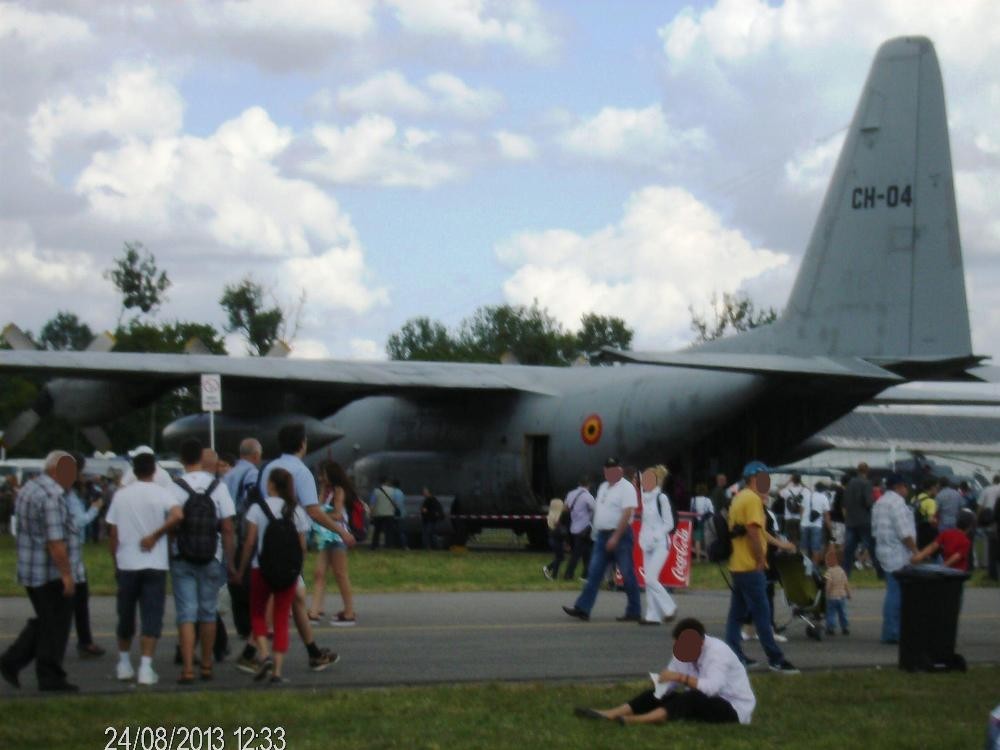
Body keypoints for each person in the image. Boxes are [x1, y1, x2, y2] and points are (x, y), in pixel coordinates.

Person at [259, 423, 341, 670]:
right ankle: (257, 652)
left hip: (268, 540)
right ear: (302, 443)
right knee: (285, 597)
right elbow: (313, 511)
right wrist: (341, 531)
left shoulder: (268, 468)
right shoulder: (301, 471)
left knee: (295, 599)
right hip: (290, 544)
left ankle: (313, 653)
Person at [573, 618, 755, 726]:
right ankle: (611, 713)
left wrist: (680, 677)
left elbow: (712, 688)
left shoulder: (717, 653)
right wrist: (662, 683)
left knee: (692, 698)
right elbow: (672, 676)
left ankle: (636, 720)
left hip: (733, 708)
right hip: (703, 699)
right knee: (660, 694)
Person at [0, 451, 80, 692]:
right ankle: (49, 675)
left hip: (30, 569)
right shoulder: (52, 496)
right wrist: (67, 574)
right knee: (56, 626)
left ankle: (12, 662)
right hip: (49, 573)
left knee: (46, 622)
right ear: (56, 471)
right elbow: (55, 542)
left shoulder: (29, 488)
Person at [106, 451, 183, 685]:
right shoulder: (163, 493)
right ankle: (146, 666)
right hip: (155, 563)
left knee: (126, 614)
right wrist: (156, 534)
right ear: (154, 471)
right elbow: (178, 515)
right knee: (152, 614)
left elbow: (113, 532)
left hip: (127, 562)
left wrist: (115, 559)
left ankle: (123, 662)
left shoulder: (121, 496)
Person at [169, 438, 237, 683]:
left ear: (182, 459)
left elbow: (170, 523)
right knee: (208, 612)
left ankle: (187, 668)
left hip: (182, 555)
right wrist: (230, 561)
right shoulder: (218, 486)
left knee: (186, 613)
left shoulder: (174, 486)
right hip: (211, 555)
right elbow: (227, 527)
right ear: (201, 458)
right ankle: (207, 665)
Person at [238, 468, 312, 683]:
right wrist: (297, 568)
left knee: (258, 614)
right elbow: (302, 546)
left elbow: (250, 542)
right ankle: (277, 671)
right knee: (281, 618)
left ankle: (263, 653)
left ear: (270, 485)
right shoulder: (296, 510)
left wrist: (241, 568)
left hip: (260, 567)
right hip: (287, 571)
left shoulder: (257, 508)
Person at [724, 461, 798, 673]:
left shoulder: (740, 498)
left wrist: (780, 544)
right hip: (750, 566)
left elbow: (760, 530)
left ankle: (734, 655)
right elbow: (754, 532)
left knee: (736, 614)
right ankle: (776, 658)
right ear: (754, 478)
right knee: (762, 614)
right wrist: (759, 559)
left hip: (738, 565)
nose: (768, 482)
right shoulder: (753, 500)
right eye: (765, 478)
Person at [563, 458, 641, 623]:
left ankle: (634, 610)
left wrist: (616, 536)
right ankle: (583, 608)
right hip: (602, 535)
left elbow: (627, 513)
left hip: (620, 535)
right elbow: (599, 510)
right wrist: (595, 532)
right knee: (594, 572)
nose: (609, 473)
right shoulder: (604, 487)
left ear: (619, 471)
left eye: (613, 470)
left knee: (627, 574)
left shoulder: (626, 488)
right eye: (607, 470)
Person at [222, 437, 263, 672]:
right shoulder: (252, 475)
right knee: (247, 582)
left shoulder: (229, 474)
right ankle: (250, 633)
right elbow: (250, 503)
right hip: (243, 530)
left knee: (235, 582)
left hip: (228, 531)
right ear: (256, 455)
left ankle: (242, 627)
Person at [309, 462, 357, 627]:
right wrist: (322, 494)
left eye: (323, 475)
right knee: (319, 573)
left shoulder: (338, 491)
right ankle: (314, 612)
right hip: (325, 537)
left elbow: (337, 514)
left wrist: (322, 513)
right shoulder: (326, 491)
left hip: (337, 536)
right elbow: (319, 505)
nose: (320, 478)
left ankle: (349, 612)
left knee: (340, 574)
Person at [68, 452, 106, 659]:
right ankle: (85, 642)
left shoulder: (67, 492)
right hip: (71, 557)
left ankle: (85, 641)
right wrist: (94, 509)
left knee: (78, 602)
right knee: (77, 602)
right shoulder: (68, 495)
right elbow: (79, 521)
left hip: (74, 555)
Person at [872, 473, 918, 645]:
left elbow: (874, 530)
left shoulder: (879, 502)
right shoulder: (897, 503)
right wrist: (915, 551)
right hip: (897, 553)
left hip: (883, 551)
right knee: (896, 594)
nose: (907, 490)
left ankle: (890, 630)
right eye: (905, 487)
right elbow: (904, 532)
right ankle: (892, 632)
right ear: (899, 487)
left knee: (892, 591)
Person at [639, 465, 677, 625]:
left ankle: (669, 607)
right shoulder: (644, 498)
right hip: (646, 544)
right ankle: (652, 615)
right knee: (648, 581)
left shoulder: (661, 498)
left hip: (661, 544)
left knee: (651, 579)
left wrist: (656, 535)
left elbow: (669, 523)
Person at [562, 476, 595, 581]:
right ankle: (569, 574)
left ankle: (586, 574)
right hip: (585, 528)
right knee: (578, 553)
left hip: (574, 528)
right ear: (589, 485)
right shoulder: (587, 496)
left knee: (587, 552)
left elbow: (566, 508)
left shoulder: (571, 494)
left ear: (579, 483)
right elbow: (595, 509)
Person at [800, 481, 831, 566]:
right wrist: (830, 528)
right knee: (815, 548)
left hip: (804, 524)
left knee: (804, 547)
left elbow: (801, 510)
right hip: (817, 525)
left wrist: (802, 520)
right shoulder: (824, 498)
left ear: (815, 488)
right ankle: (813, 568)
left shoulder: (807, 496)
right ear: (823, 489)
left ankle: (805, 565)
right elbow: (826, 515)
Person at [823, 546, 850, 636]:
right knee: (843, 613)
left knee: (831, 613)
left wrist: (826, 593)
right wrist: (848, 593)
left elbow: (829, 584)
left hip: (832, 597)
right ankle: (845, 627)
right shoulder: (842, 571)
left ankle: (831, 628)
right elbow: (846, 583)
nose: (826, 562)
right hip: (842, 597)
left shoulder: (829, 571)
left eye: (827, 560)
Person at [778, 474, 808, 547]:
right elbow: (810, 491)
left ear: (792, 480)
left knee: (789, 539)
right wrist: (802, 483)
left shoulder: (787, 490)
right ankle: (796, 553)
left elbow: (778, 491)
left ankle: (791, 553)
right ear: (800, 480)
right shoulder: (804, 491)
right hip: (799, 518)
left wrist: (788, 481)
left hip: (788, 518)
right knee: (798, 538)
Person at [543, 499, 569, 581]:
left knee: (559, 557)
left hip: (552, 539)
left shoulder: (551, 516)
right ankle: (548, 568)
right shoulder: (559, 517)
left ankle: (554, 575)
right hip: (557, 539)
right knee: (560, 557)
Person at [370, 477, 398, 550]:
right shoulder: (393, 491)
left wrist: (371, 513)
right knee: (389, 531)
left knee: (377, 531)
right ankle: (388, 545)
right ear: (387, 482)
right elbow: (395, 502)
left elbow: (372, 503)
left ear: (380, 482)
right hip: (389, 514)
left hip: (378, 514)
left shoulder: (375, 491)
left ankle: (374, 545)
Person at [912, 478, 939, 549]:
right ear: (932, 487)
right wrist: (936, 521)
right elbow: (931, 520)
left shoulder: (915, 498)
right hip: (925, 534)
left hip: (914, 532)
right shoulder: (930, 502)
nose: (937, 489)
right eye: (936, 487)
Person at [690, 483, 714, 563]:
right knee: (707, 540)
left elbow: (691, 511)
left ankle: (698, 558)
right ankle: (707, 557)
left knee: (697, 540)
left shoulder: (693, 500)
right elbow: (711, 511)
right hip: (706, 521)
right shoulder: (707, 500)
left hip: (696, 521)